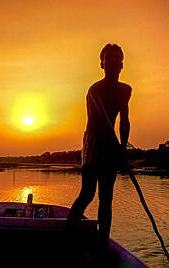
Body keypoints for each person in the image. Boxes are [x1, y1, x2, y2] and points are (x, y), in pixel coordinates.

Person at [66, 43, 132, 249]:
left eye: (116, 58)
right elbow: (96, 123)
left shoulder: (125, 90)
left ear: (122, 64)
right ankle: (68, 237)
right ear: (102, 64)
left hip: (111, 143)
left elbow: (124, 120)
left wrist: (122, 149)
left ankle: (102, 242)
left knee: (106, 197)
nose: (112, 61)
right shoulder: (94, 90)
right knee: (87, 193)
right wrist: (114, 146)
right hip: (94, 141)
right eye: (108, 58)